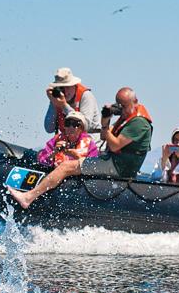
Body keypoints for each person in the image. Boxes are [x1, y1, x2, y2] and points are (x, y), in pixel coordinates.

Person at [9, 87, 152, 209]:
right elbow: (104, 136)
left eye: (124, 106)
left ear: (135, 101)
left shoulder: (138, 122)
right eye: (119, 106)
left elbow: (114, 145)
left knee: (66, 166)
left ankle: (28, 198)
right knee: (67, 165)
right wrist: (106, 119)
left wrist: (106, 129)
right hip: (112, 161)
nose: (71, 128)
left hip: (119, 167)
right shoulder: (127, 116)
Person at [43, 67, 100, 134]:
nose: (65, 91)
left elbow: (85, 126)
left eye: (68, 87)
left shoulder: (86, 96)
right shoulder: (57, 99)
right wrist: (53, 103)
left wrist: (64, 106)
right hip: (69, 141)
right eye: (62, 88)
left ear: (74, 85)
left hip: (91, 140)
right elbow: (49, 129)